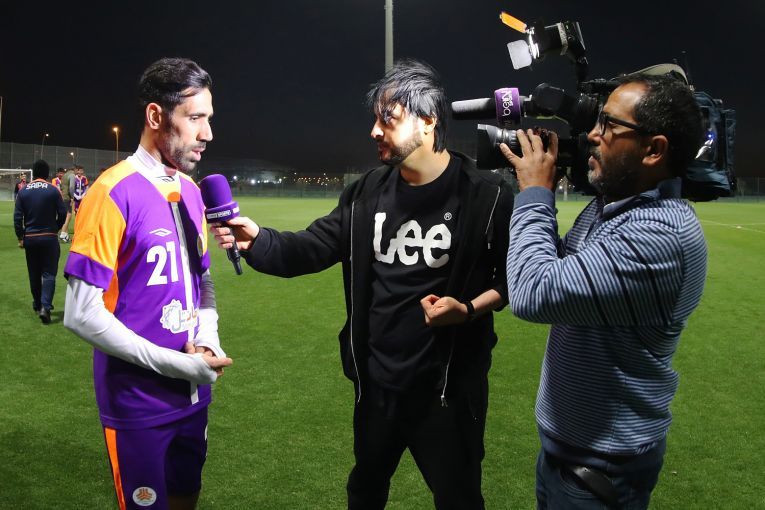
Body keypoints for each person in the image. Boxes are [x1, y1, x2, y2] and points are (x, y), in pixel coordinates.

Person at [211, 59, 514, 509]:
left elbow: (512, 277)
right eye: (375, 119)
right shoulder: (365, 193)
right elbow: (311, 247)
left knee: (459, 499)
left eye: (388, 119)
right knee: (365, 492)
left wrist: (467, 310)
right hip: (377, 389)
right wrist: (257, 240)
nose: (375, 131)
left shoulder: (486, 194)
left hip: (447, 393)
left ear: (428, 120)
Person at [501, 73, 707, 509]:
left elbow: (533, 291)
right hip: (569, 453)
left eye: (609, 126)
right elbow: (555, 263)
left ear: (654, 150)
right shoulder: (613, 209)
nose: (592, 136)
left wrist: (535, 193)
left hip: (601, 470)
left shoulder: (660, 233)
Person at [63, 57, 233, 510]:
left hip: (194, 398)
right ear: (156, 116)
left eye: (209, 119)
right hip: (137, 405)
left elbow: (202, 281)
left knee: (186, 497)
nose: (207, 133)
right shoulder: (111, 192)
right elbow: (80, 314)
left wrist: (209, 338)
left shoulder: (192, 192)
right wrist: (176, 365)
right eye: (195, 118)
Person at [14, 159, 67, 323]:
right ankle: (45, 306)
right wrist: (56, 228)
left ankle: (37, 304)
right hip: (49, 237)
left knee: (34, 273)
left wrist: (20, 237)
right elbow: (63, 213)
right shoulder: (53, 190)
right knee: (49, 273)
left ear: (34, 173)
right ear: (47, 173)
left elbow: (17, 218)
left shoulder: (23, 191)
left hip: (30, 238)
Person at [58, 166, 76, 242]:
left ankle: (65, 234)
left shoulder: (64, 175)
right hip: (67, 197)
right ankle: (63, 234)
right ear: (74, 170)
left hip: (62, 196)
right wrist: (72, 197)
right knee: (69, 215)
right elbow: (71, 187)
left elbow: (61, 186)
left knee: (66, 215)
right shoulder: (72, 175)